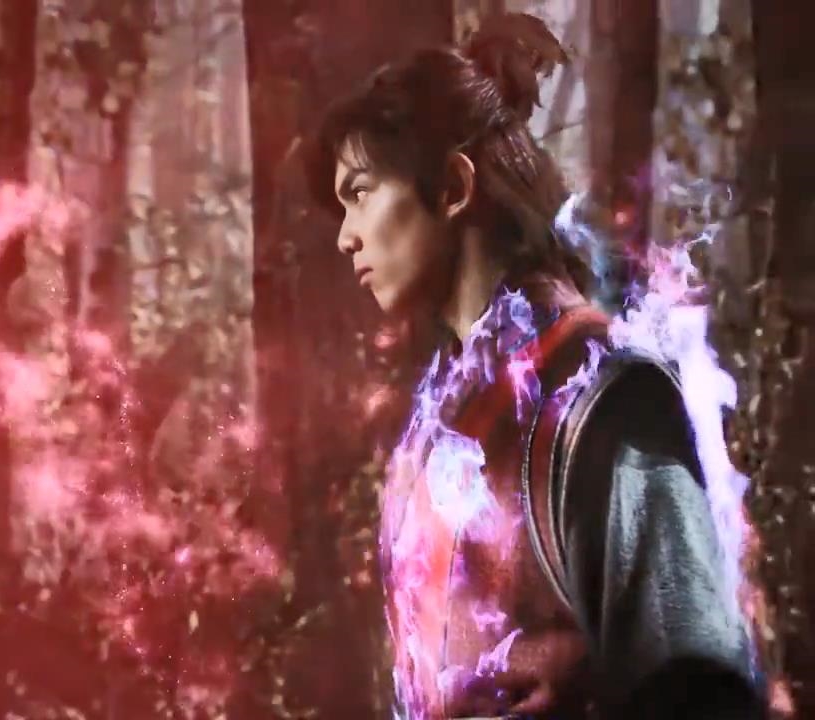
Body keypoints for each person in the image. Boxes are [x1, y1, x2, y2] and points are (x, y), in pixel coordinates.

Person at [304, 12, 774, 720]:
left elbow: (699, 685)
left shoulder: (603, 399)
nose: (345, 237)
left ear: (453, 187)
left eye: (361, 192)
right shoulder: (442, 423)